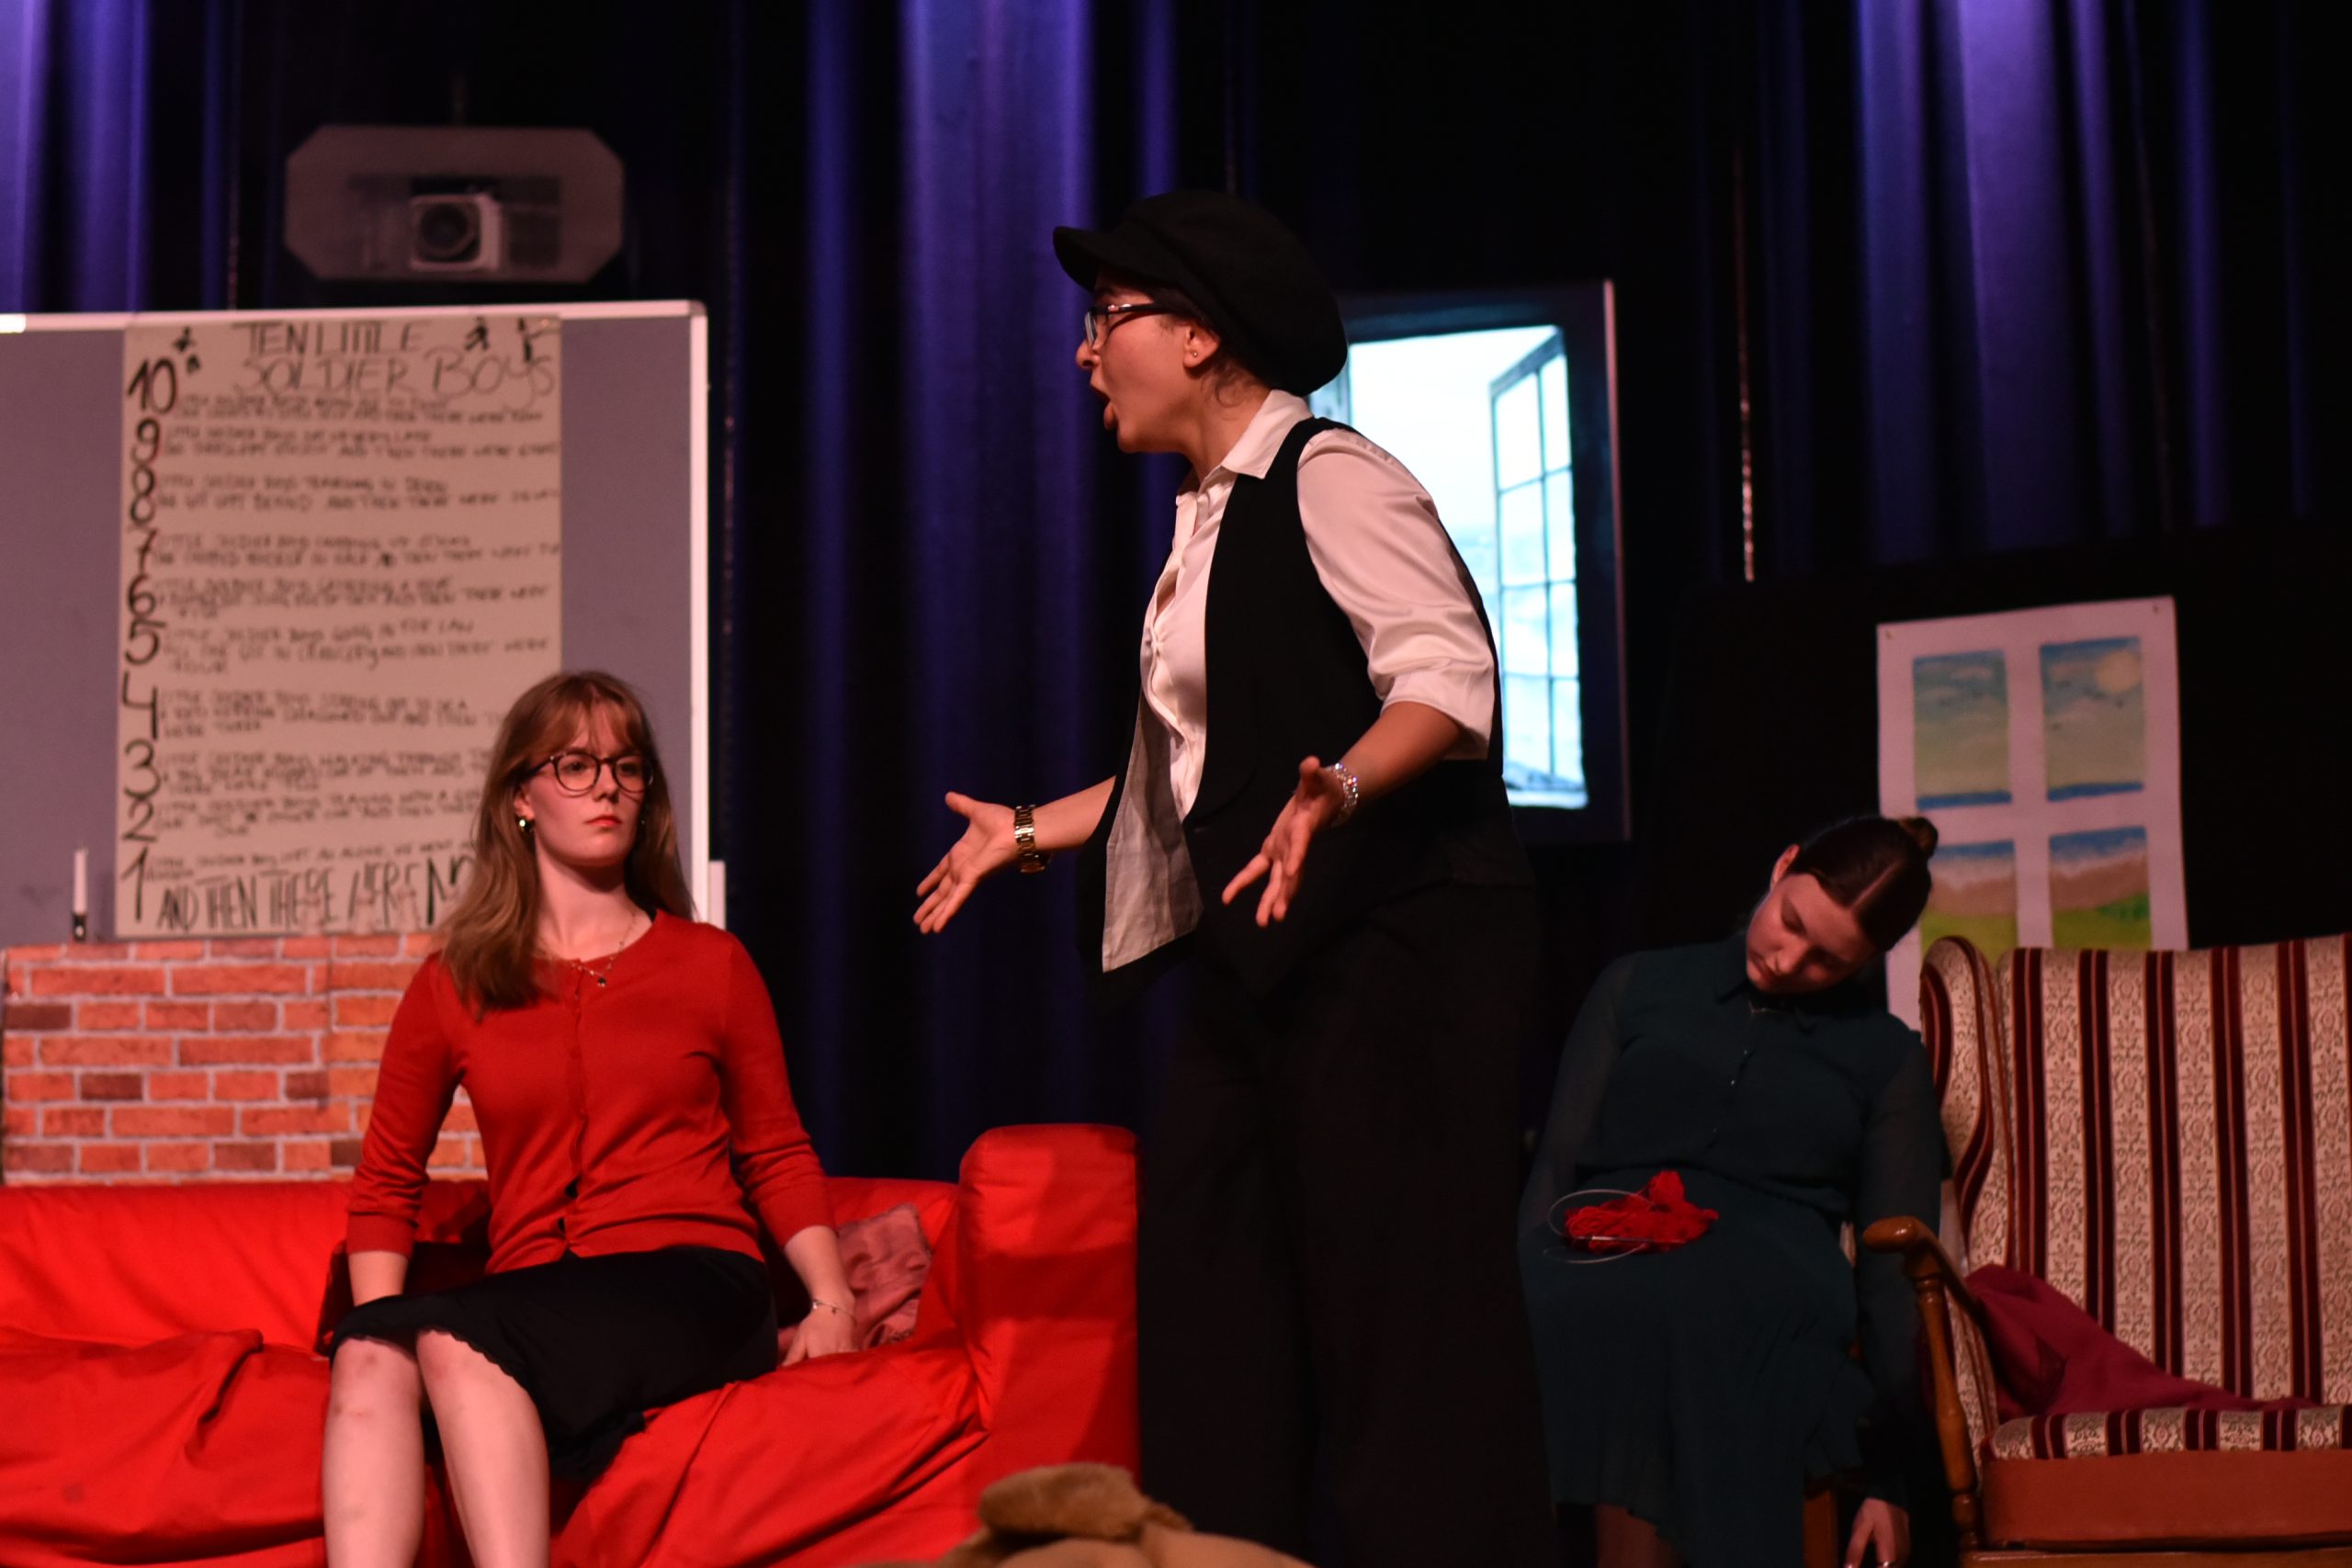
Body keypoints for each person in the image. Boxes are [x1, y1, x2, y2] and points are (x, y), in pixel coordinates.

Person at [914, 190, 1555, 1567]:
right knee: (1218, 1314)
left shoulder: (1331, 473)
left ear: (1199, 334)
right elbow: (1190, 776)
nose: (1087, 350)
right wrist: (1022, 831)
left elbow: (1447, 679)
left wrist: (1340, 787)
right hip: (1262, 956)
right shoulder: (1205, 521)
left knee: (1401, 1331)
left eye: (1110, 318)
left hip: (1395, 953)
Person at [322, 671, 854, 1568]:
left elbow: (775, 1149)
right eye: (575, 765)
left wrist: (832, 1298)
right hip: (538, 1298)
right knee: (369, 1353)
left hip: (694, 1283)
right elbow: (386, 1185)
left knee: (458, 1337)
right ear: (521, 798)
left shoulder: (711, 964)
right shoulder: (455, 983)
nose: (607, 787)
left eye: (626, 766)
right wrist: (382, 1332)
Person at [1519, 818, 1947, 1568]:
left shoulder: (1885, 1057)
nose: (1788, 960)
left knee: (1684, 1310)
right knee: (1552, 1311)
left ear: (1868, 962)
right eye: (1791, 922)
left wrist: (1894, 1480)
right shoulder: (1639, 985)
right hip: (1612, 1242)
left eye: (1827, 960)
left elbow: (1890, 1277)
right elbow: (1555, 1168)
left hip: (1767, 1275)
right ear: (1783, 865)